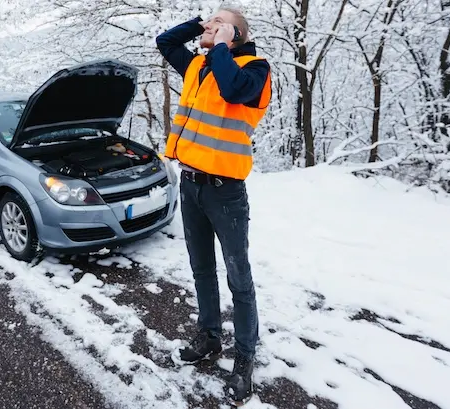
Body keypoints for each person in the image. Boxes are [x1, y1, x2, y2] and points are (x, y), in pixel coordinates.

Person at [155, 5, 272, 406]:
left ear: (235, 35)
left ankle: (244, 356)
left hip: (226, 192)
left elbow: (234, 90)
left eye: (217, 22)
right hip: (190, 185)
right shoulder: (198, 66)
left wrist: (222, 45)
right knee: (201, 268)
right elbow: (165, 42)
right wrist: (201, 25)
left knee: (238, 277)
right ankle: (209, 336)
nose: (207, 26)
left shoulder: (256, 69)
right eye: (208, 22)